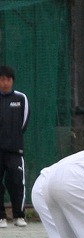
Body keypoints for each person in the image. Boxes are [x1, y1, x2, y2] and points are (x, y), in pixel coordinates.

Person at [0, 65, 29, 228]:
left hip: (15, 150)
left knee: (17, 182)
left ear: (13, 81)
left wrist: (13, 139)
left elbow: (24, 122)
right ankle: (1, 217)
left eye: (8, 79)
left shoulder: (21, 98)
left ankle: (19, 216)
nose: (5, 83)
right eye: (2, 79)